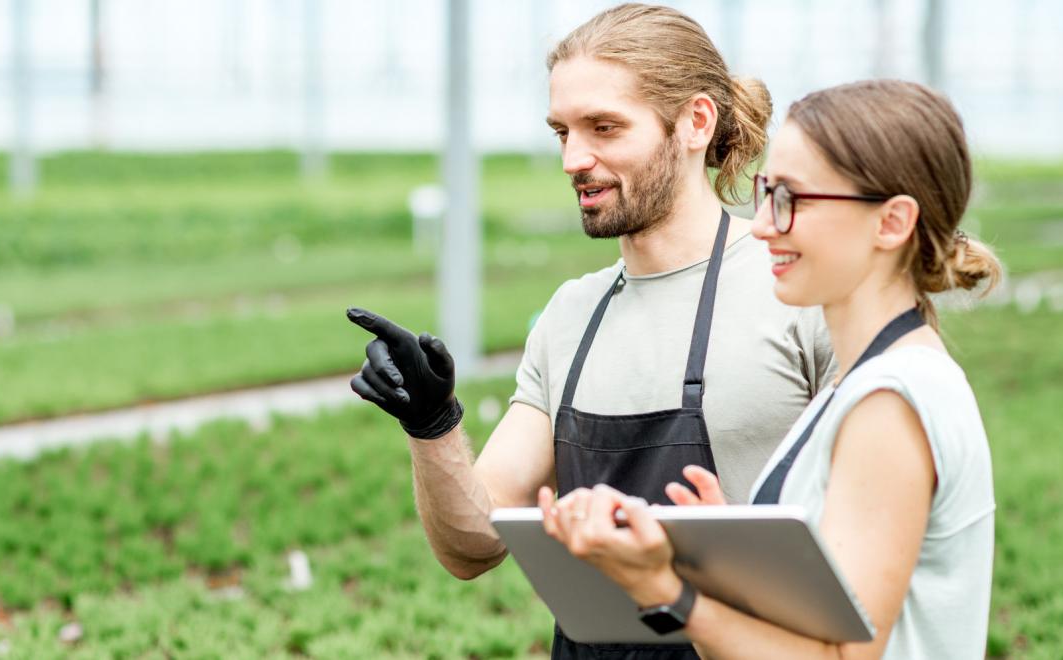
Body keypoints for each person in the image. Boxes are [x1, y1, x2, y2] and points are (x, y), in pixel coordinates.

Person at [344, 5, 833, 657]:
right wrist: (432, 424)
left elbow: (871, 557)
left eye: (603, 127)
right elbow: (474, 544)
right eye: (561, 133)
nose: (574, 158)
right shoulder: (572, 314)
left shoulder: (798, 297)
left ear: (694, 122)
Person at [539, 79, 1002, 659]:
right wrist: (726, 557)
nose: (762, 226)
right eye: (765, 194)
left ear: (891, 223)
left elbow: (843, 656)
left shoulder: (892, 401)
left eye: (793, 201)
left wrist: (669, 593)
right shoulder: (860, 383)